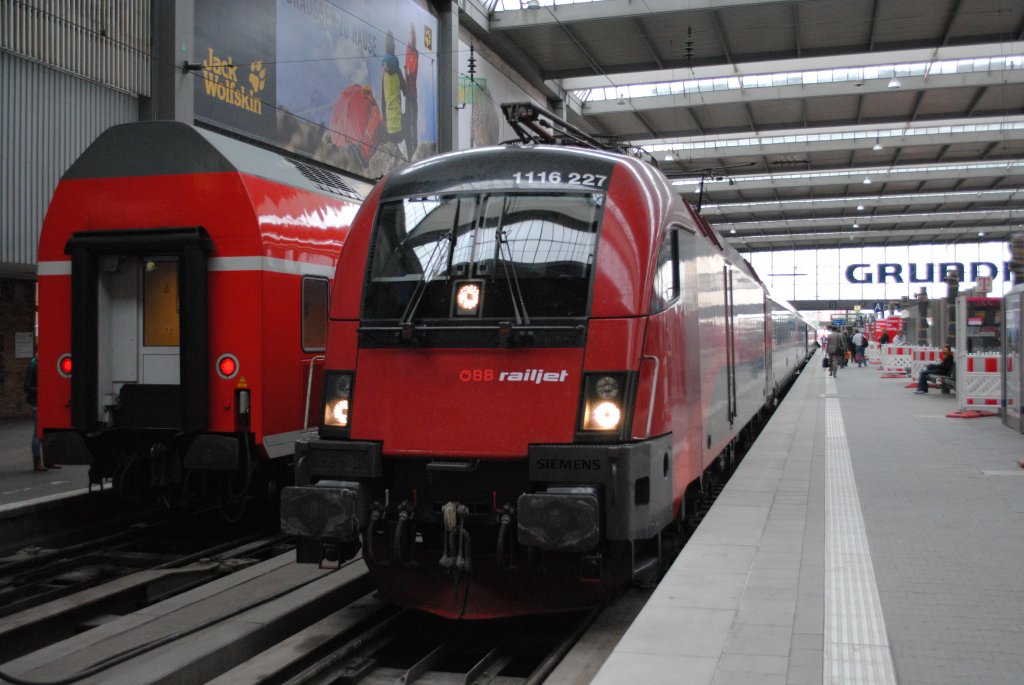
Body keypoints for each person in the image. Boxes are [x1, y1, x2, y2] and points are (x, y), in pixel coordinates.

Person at [380, 32, 408, 157]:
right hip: (399, 122)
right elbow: (405, 90)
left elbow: (382, 98)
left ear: (385, 47)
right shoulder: (397, 69)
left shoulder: (384, 73)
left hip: (389, 123)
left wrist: (384, 116)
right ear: (394, 46)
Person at [24, 355, 45, 472]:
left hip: (45, 402)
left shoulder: (43, 365)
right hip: (37, 403)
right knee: (38, 433)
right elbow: (27, 387)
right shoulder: (33, 366)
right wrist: (41, 389)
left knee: (46, 432)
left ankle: (47, 461)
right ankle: (37, 462)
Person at [403, 23, 419, 159]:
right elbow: (408, 72)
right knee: (410, 123)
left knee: (413, 123)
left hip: (412, 95)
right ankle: (410, 152)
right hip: (409, 95)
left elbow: (412, 73)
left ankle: (414, 151)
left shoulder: (413, 53)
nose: (411, 39)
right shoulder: (408, 51)